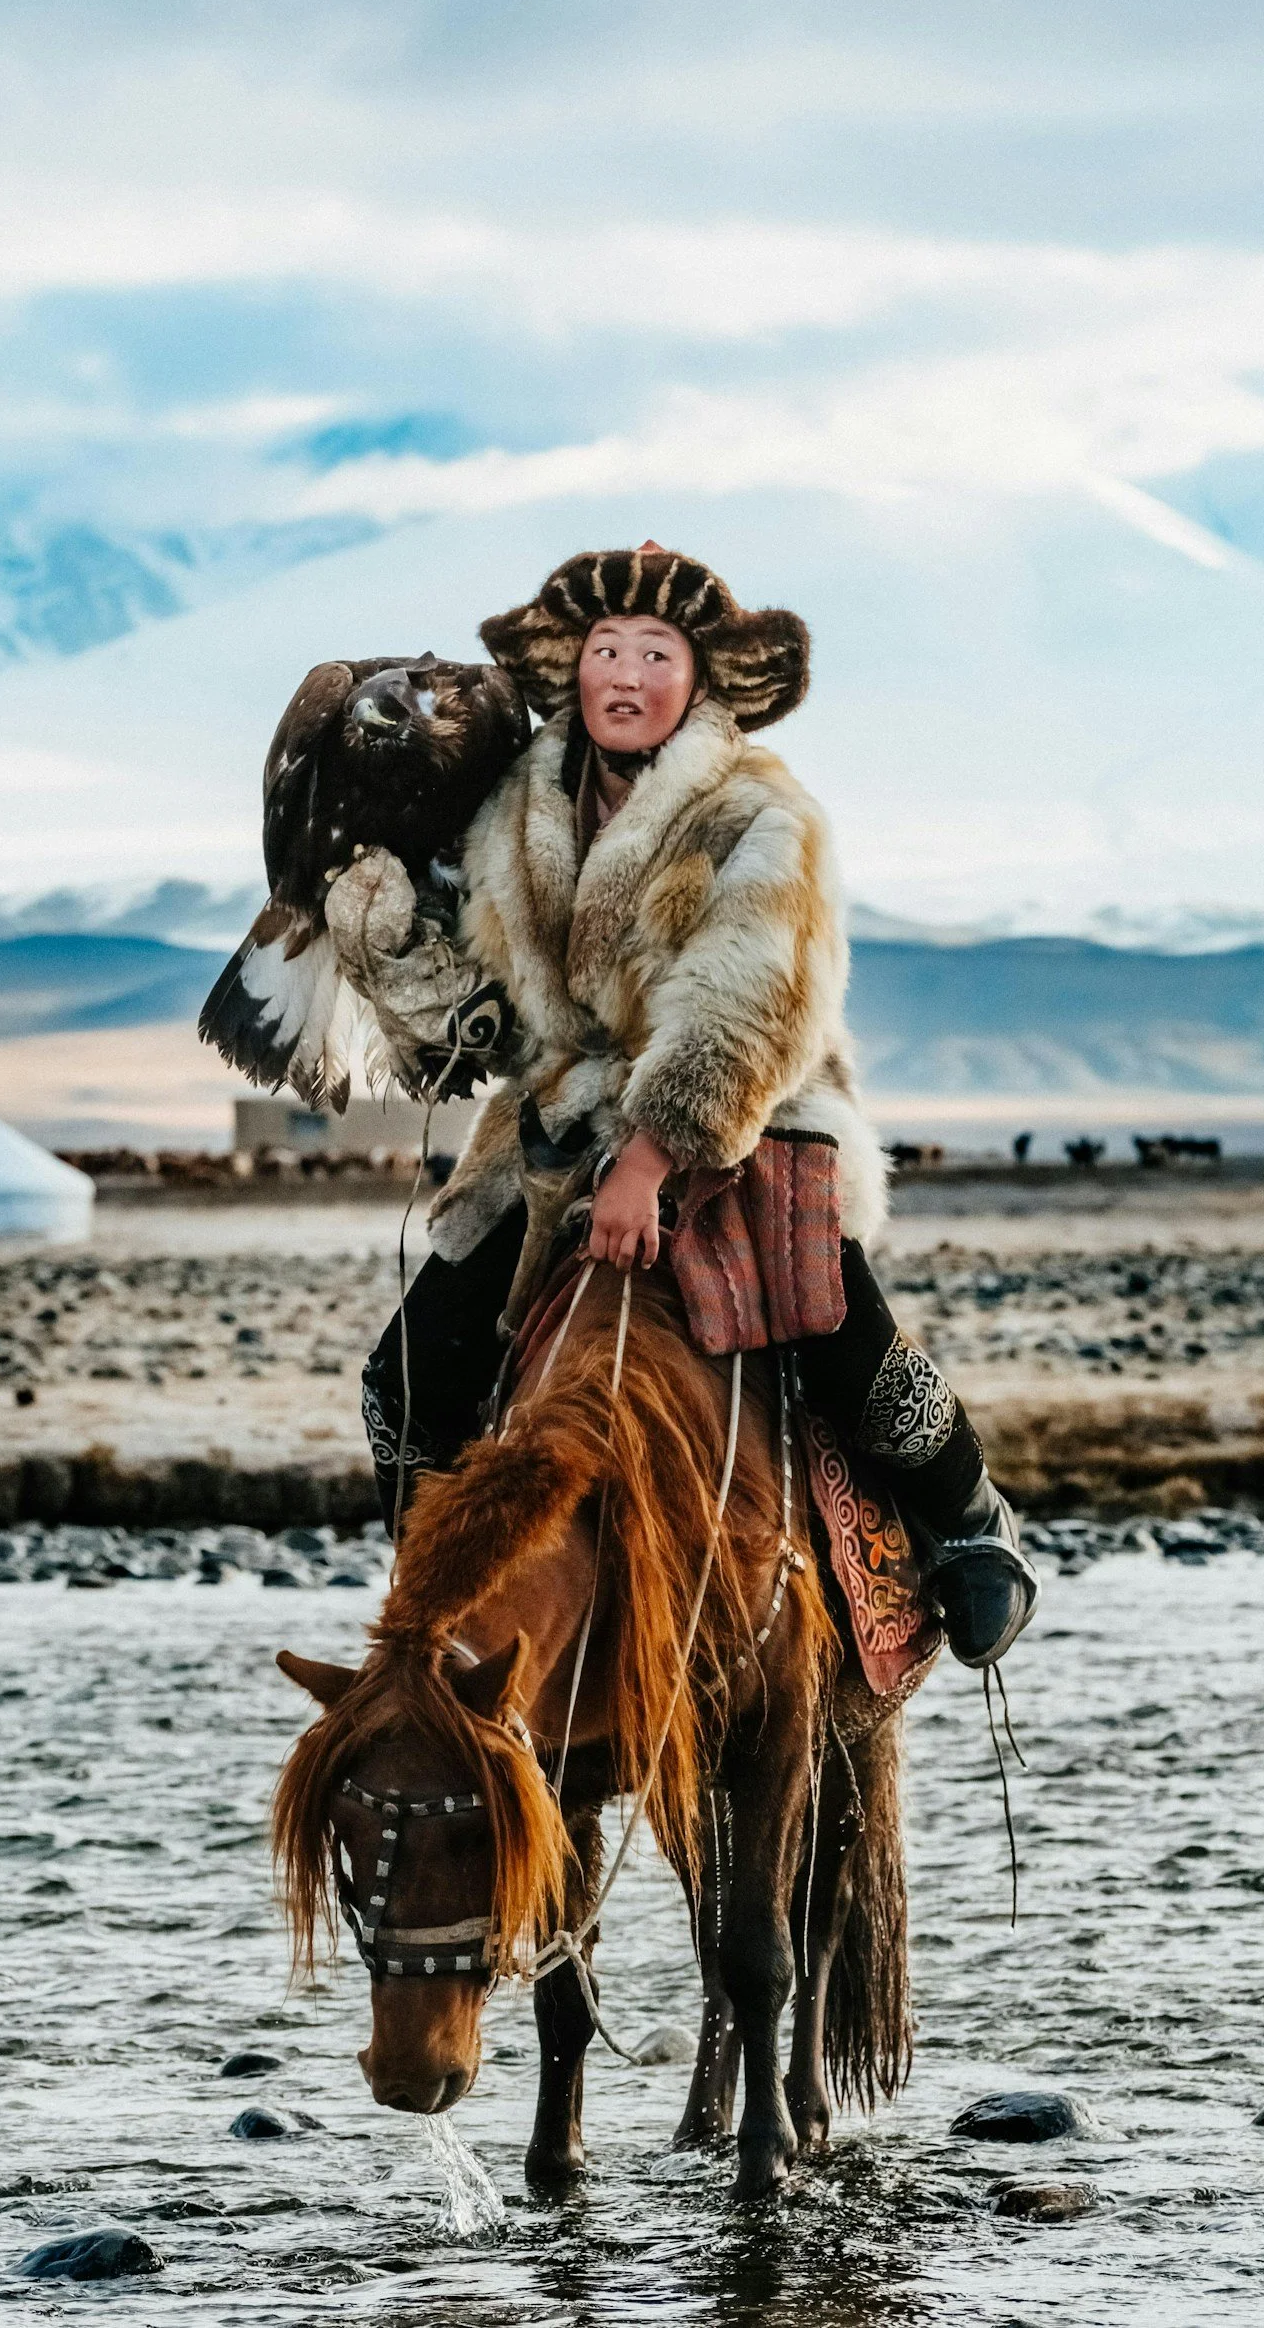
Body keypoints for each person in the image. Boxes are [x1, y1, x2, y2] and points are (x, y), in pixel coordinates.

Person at [350, 544, 1036, 1670]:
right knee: (403, 1379)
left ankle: (968, 1518)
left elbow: (749, 1000)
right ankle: (444, 1619)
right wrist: (385, 940)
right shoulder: (512, 811)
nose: (622, 672)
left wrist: (650, 1159)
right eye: (602, 650)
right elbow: (488, 993)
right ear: (571, 669)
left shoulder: (761, 812)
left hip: (745, 1106)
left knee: (823, 1313)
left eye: (652, 652)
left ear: (701, 677)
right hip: (564, 1116)